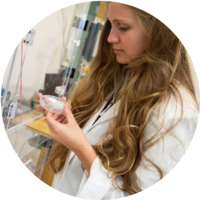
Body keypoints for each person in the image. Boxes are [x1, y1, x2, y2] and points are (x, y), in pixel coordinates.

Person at [36, 2, 199, 199]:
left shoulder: (179, 111)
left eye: (122, 27)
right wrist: (71, 123)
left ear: (160, 30)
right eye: (110, 25)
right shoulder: (119, 79)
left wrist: (80, 147)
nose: (111, 38)